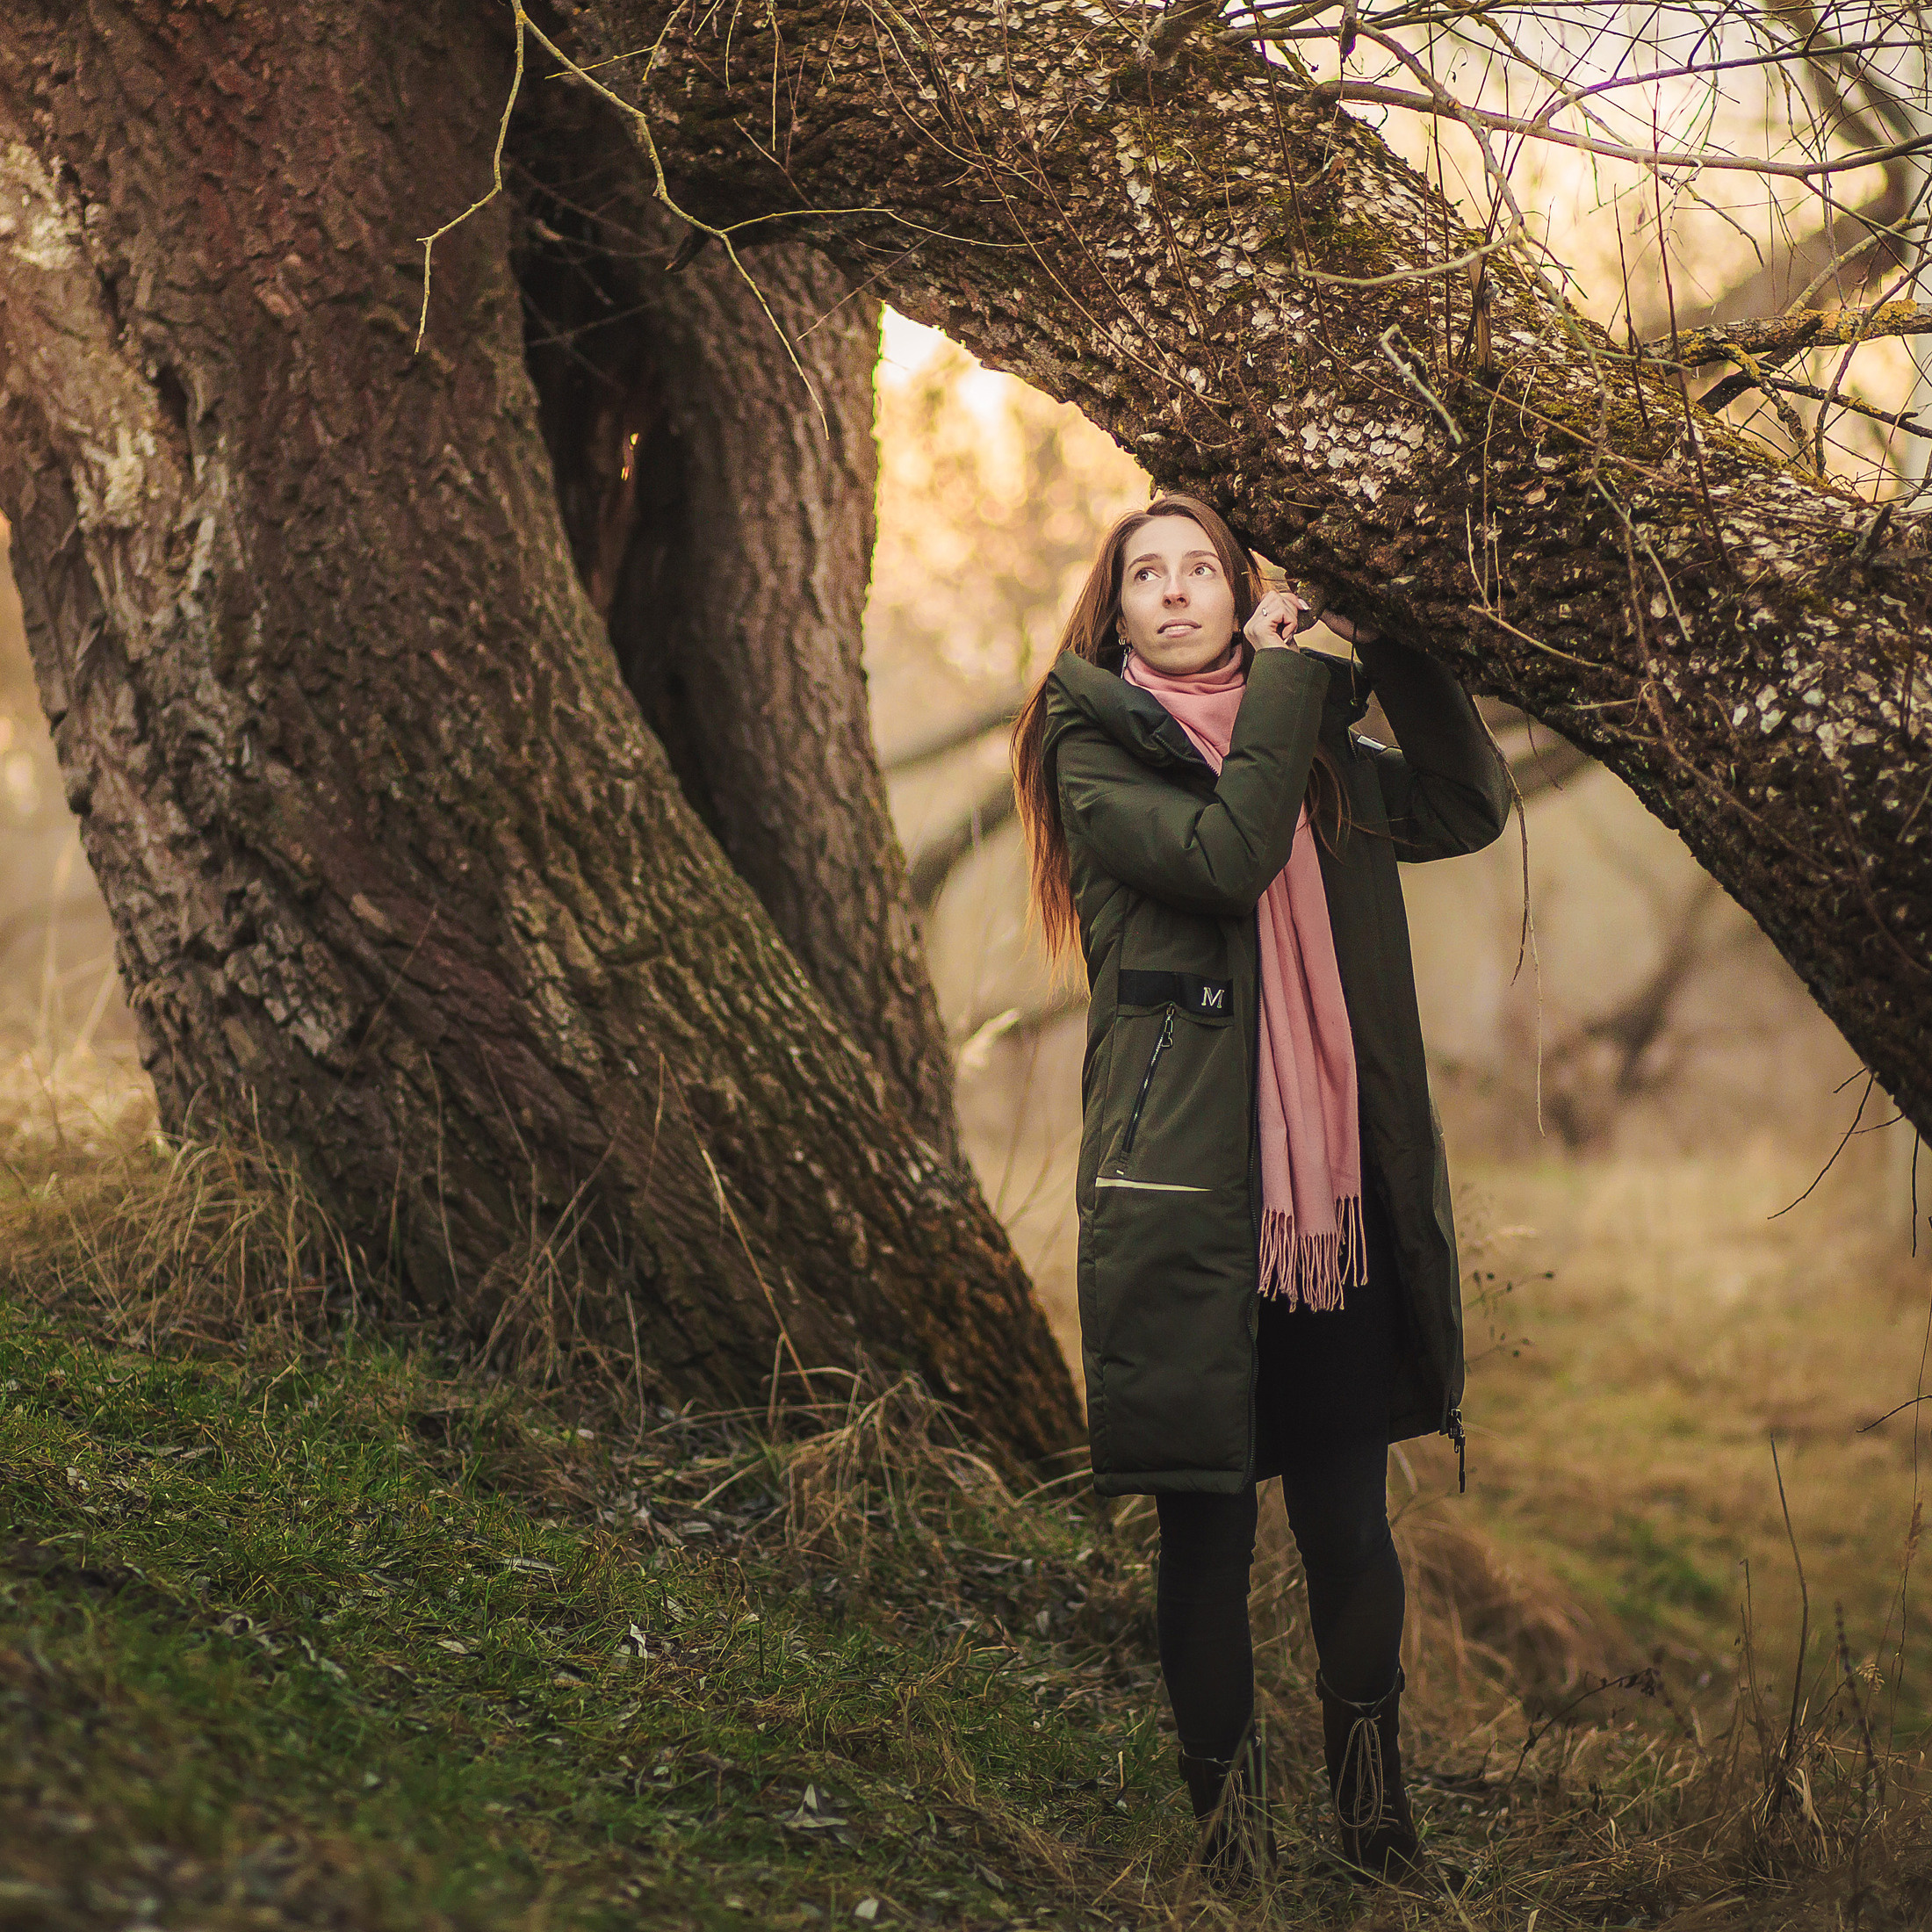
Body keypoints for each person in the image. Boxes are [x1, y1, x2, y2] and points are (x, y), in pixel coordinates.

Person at [1010, 494, 1510, 1885]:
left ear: (1241, 595)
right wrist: (1301, 679)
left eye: (1202, 570)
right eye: (1145, 577)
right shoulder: (1093, 750)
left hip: (1329, 1213)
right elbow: (1229, 853)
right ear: (1114, 618)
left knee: (1350, 1527)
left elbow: (1470, 804)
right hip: (1189, 1217)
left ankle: (1376, 1827)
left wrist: (1394, 628)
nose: (1174, 592)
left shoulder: (1320, 754)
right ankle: (1227, 1851)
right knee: (1209, 1540)